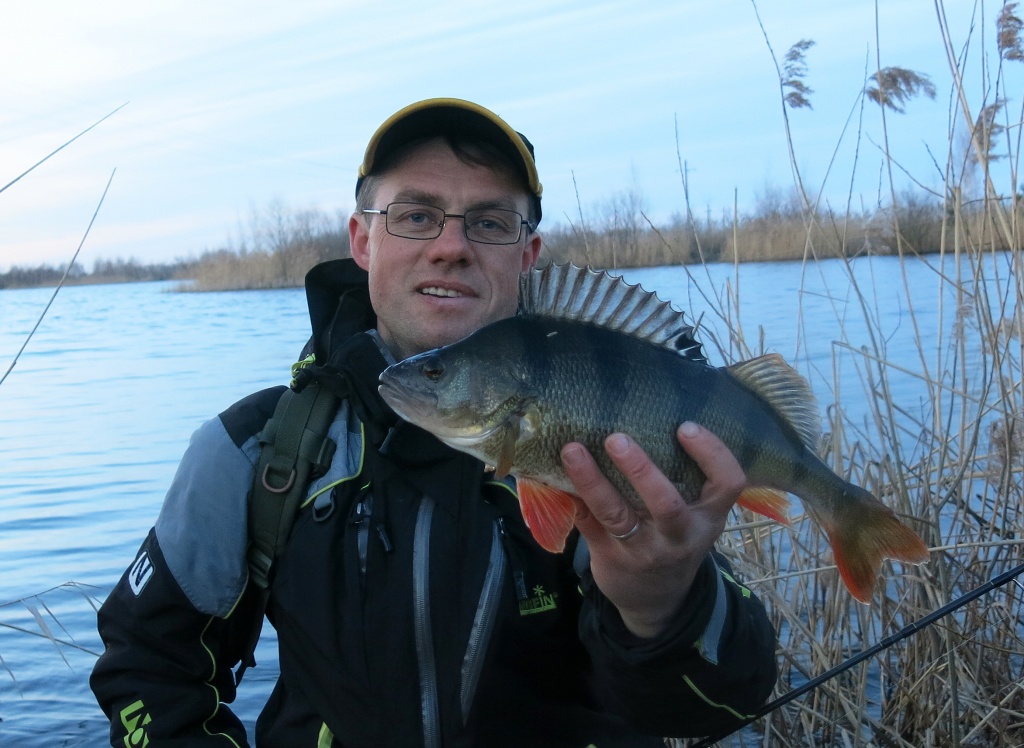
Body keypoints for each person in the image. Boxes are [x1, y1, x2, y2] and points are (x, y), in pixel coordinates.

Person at [91, 98, 777, 747]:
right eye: (416, 215)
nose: (451, 246)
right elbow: (148, 666)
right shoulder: (255, 451)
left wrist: (661, 606)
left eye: (488, 221)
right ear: (363, 240)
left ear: (527, 256)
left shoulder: (604, 448)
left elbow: (716, 702)